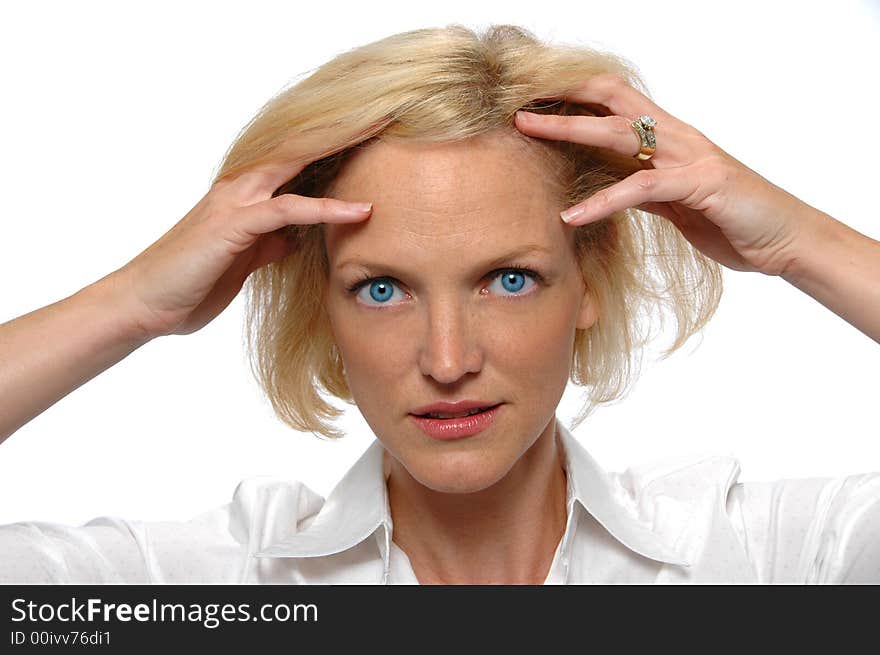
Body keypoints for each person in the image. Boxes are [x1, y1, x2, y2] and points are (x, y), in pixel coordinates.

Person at [0, 24, 878, 585]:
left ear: (589, 280)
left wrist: (797, 240)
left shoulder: (761, 562)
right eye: (382, 289)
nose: (449, 360)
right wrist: (133, 302)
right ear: (325, 306)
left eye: (508, 278)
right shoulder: (226, 588)